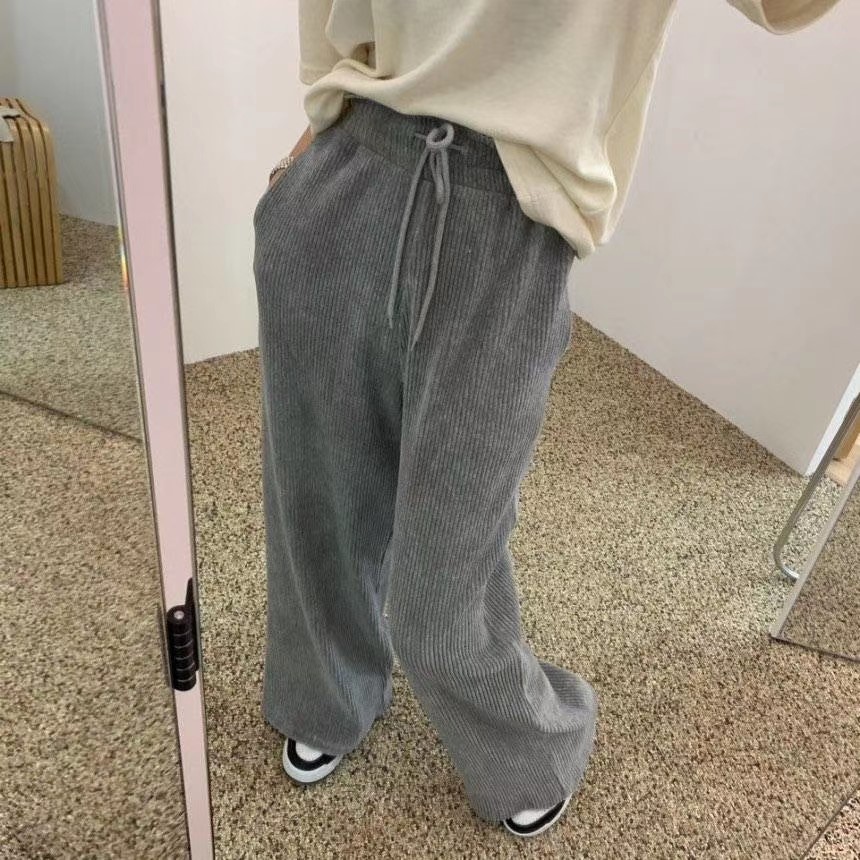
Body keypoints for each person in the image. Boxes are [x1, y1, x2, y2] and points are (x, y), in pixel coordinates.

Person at [253, 0, 841, 839]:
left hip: (511, 218)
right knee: (318, 491)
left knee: (446, 568)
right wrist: (307, 144)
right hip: (351, 169)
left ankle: (526, 744)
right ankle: (325, 693)